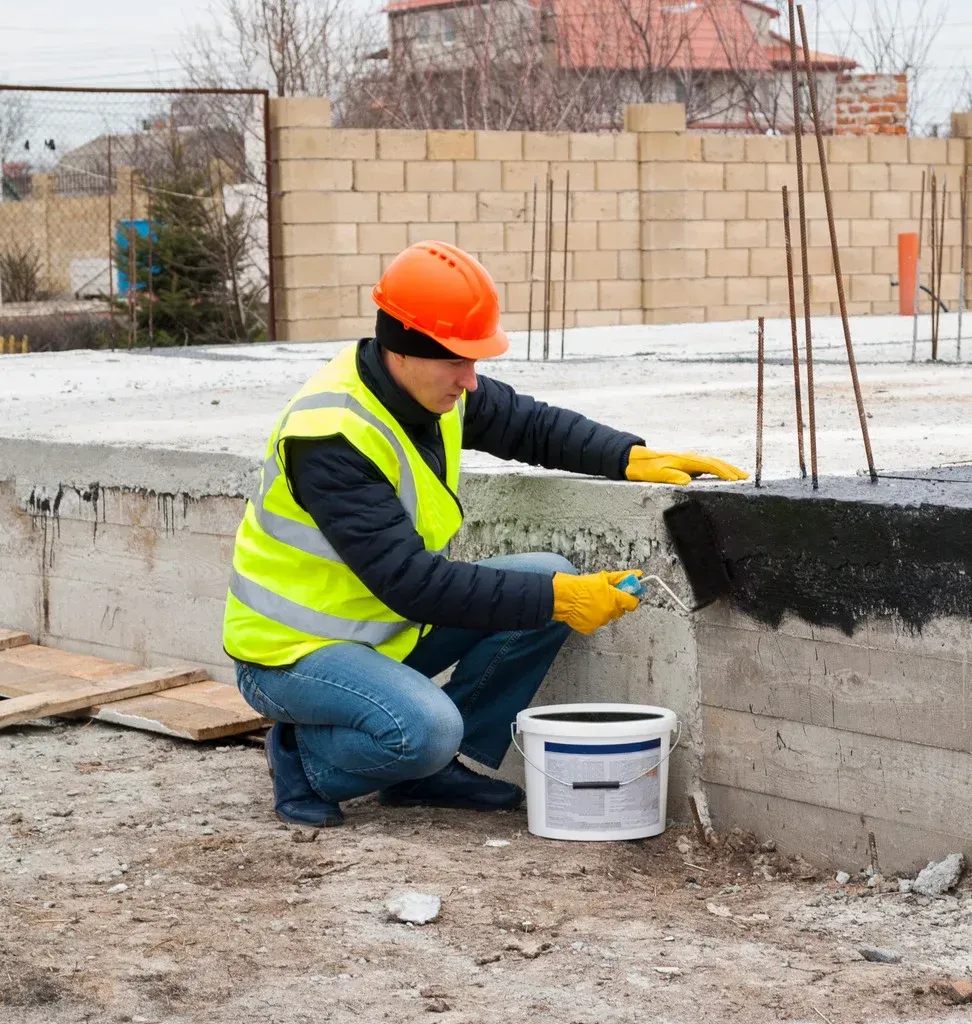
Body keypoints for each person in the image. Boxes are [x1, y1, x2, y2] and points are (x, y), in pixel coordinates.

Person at [224, 240, 745, 827]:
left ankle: (425, 773)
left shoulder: (430, 391)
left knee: (547, 575)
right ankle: (304, 758)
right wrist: (562, 599)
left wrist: (630, 456)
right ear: (403, 351)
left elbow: (531, 425)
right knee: (431, 726)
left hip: (382, 632)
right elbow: (413, 584)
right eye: (458, 361)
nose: (471, 381)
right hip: (292, 655)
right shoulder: (330, 437)